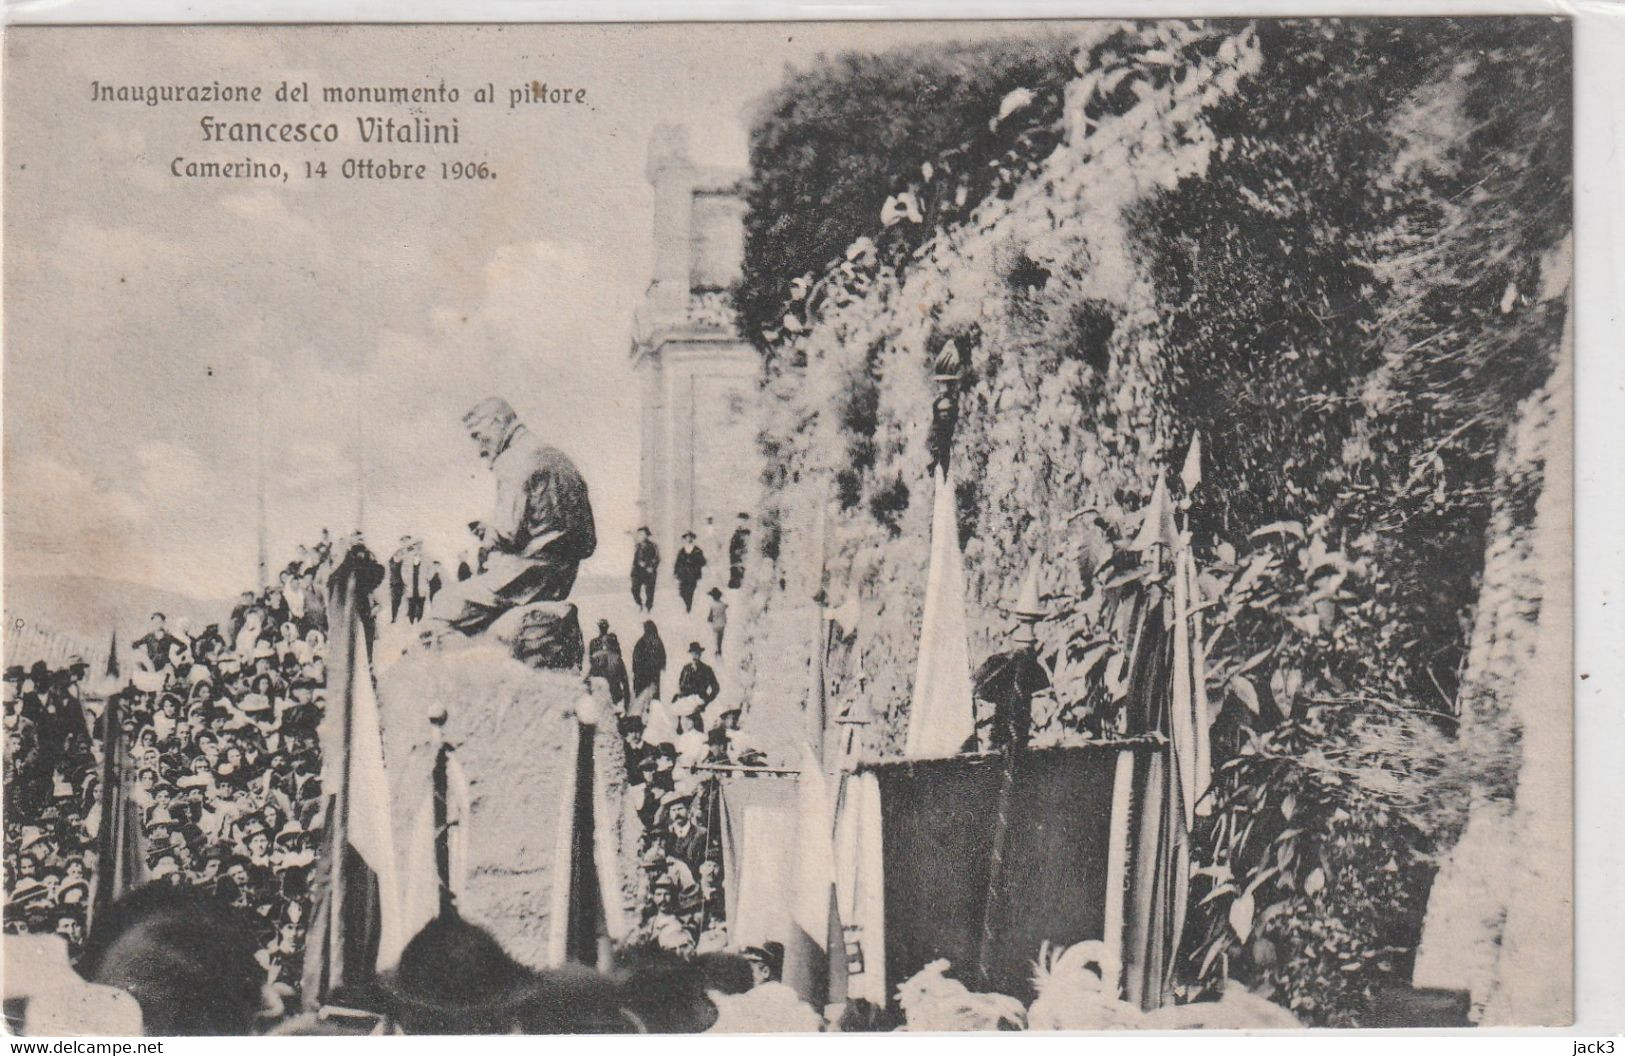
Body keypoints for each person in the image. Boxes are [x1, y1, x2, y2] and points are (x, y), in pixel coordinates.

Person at [434, 397, 598, 635]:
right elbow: (587, 541)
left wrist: (488, 533)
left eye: (479, 437)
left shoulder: (513, 459)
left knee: (444, 605)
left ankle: (461, 671)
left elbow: (507, 533)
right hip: (564, 575)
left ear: (498, 422)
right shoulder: (558, 458)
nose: (480, 449)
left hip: (529, 577)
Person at [587, 620, 630, 709]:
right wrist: (627, 702)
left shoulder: (595, 647)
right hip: (614, 694)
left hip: (601, 693)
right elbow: (625, 681)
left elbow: (592, 670)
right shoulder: (617, 658)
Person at [631, 621, 666, 706]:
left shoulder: (641, 642)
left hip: (641, 677)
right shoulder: (658, 641)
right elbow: (663, 660)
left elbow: (635, 661)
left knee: (641, 700)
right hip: (653, 676)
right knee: (653, 700)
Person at [677, 643, 720, 708]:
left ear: (700, 654)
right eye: (693, 653)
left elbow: (715, 687)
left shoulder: (707, 669)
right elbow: (681, 686)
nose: (695, 655)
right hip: (687, 703)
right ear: (690, 654)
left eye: (697, 653)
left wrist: (707, 701)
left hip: (701, 703)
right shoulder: (686, 669)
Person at [673, 531, 706, 613]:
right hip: (683, 574)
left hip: (693, 574)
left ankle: (688, 606)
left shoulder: (697, 550)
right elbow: (678, 562)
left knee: (690, 590)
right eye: (686, 538)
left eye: (690, 537)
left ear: (692, 538)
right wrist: (676, 572)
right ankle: (686, 603)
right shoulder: (682, 550)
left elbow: (703, 562)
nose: (688, 539)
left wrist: (694, 563)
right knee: (682, 591)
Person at [630, 527, 659, 613]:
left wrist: (650, 566)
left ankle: (648, 608)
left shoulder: (653, 546)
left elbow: (657, 558)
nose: (640, 536)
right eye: (639, 534)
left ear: (647, 535)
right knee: (634, 589)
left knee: (649, 592)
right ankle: (639, 604)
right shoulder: (638, 545)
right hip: (637, 572)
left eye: (642, 534)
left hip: (648, 572)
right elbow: (635, 559)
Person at [387, 538, 409, 624]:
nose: (405, 543)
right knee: (396, 600)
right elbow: (392, 564)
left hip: (407, 581)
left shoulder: (411, 552)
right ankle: (394, 617)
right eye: (403, 541)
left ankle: (408, 615)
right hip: (396, 581)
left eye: (406, 541)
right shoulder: (397, 553)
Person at [728, 513, 751, 589]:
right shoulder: (736, 535)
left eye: (744, 521)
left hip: (746, 563)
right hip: (738, 563)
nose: (740, 524)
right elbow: (732, 551)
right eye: (739, 521)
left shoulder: (749, 535)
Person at [707, 587, 729, 658]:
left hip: (715, 624)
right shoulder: (722, 604)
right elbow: (726, 605)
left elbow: (710, 616)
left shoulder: (712, 605)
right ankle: (719, 648)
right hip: (722, 623)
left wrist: (709, 619)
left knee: (715, 637)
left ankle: (717, 650)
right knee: (720, 637)